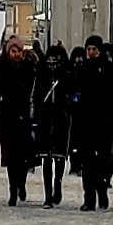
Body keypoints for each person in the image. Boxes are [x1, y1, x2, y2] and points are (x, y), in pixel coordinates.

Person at [70, 34, 113, 211]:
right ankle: (89, 197)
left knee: (104, 159)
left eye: (94, 49)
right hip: (86, 123)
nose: (91, 53)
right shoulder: (82, 71)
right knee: (87, 161)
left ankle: (102, 190)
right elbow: (75, 94)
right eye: (88, 49)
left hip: (106, 123)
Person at [0, 33, 39, 205]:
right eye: (12, 51)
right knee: (10, 156)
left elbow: (36, 89)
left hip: (24, 116)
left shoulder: (29, 68)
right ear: (8, 53)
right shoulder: (3, 70)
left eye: (18, 51)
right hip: (7, 117)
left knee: (23, 156)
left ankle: (21, 184)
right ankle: (13, 189)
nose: (16, 54)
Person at [32, 41, 72, 207]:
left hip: (61, 120)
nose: (52, 64)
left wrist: (70, 105)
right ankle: (48, 194)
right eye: (49, 60)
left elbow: (72, 96)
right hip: (45, 120)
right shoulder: (42, 76)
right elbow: (36, 98)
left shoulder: (66, 76)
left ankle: (57, 185)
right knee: (46, 159)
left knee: (59, 157)